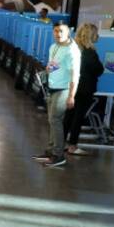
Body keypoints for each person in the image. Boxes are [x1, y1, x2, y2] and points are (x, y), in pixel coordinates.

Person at [33, 23, 80, 168]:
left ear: (68, 33)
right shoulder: (54, 47)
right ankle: (51, 151)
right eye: (55, 31)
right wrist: (46, 72)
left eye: (61, 31)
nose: (58, 34)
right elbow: (54, 65)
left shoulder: (72, 50)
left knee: (55, 120)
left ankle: (59, 155)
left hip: (64, 89)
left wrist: (71, 96)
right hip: (52, 88)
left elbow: (75, 75)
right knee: (52, 121)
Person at [64, 23, 104, 157]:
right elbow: (99, 70)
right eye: (96, 34)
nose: (98, 36)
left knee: (68, 117)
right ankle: (72, 146)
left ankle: (60, 143)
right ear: (91, 36)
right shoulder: (90, 53)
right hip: (84, 90)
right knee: (77, 118)